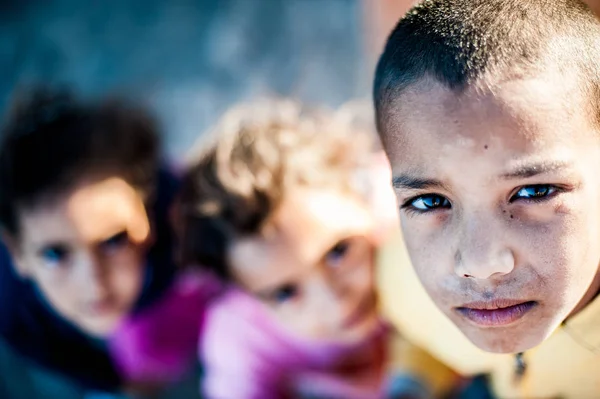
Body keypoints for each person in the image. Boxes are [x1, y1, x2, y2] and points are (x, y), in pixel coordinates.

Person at [110, 99, 429, 399]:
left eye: (338, 252)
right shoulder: (244, 335)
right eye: (284, 292)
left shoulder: (409, 209)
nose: (333, 300)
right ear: (242, 292)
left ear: (361, 198)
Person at [373, 0, 600, 397]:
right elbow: (423, 336)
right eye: (429, 201)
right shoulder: (400, 275)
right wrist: (413, 381)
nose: (479, 266)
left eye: (534, 192)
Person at [0, 87, 179, 392]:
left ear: (146, 212)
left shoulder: (180, 218)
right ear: (17, 254)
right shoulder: (14, 314)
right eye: (55, 254)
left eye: (113, 240)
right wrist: (118, 383)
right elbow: (65, 360)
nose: (94, 284)